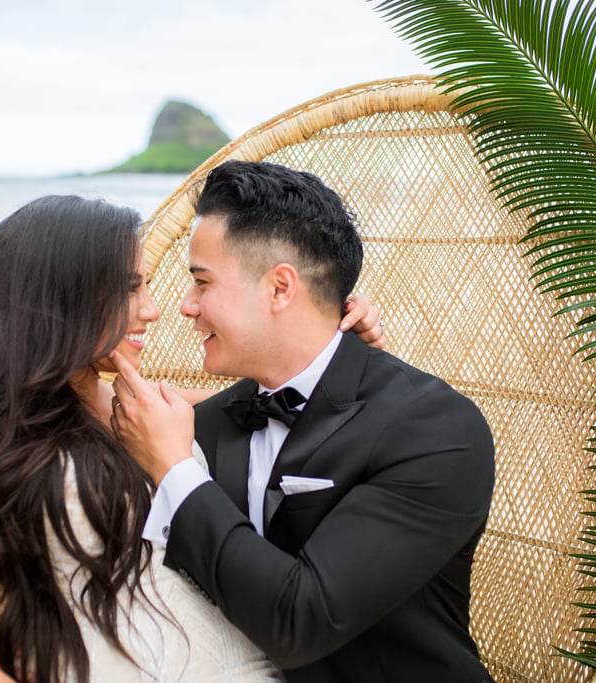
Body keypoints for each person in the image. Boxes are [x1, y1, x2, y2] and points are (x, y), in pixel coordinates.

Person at [0, 194, 385, 683]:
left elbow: (294, 401)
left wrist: (332, 341)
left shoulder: (162, 410)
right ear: (59, 296)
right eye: (129, 289)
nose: (151, 310)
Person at [110, 160, 496, 683]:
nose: (186, 306)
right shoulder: (204, 424)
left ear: (279, 288)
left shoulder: (437, 430)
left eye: (202, 282)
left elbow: (301, 621)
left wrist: (177, 472)